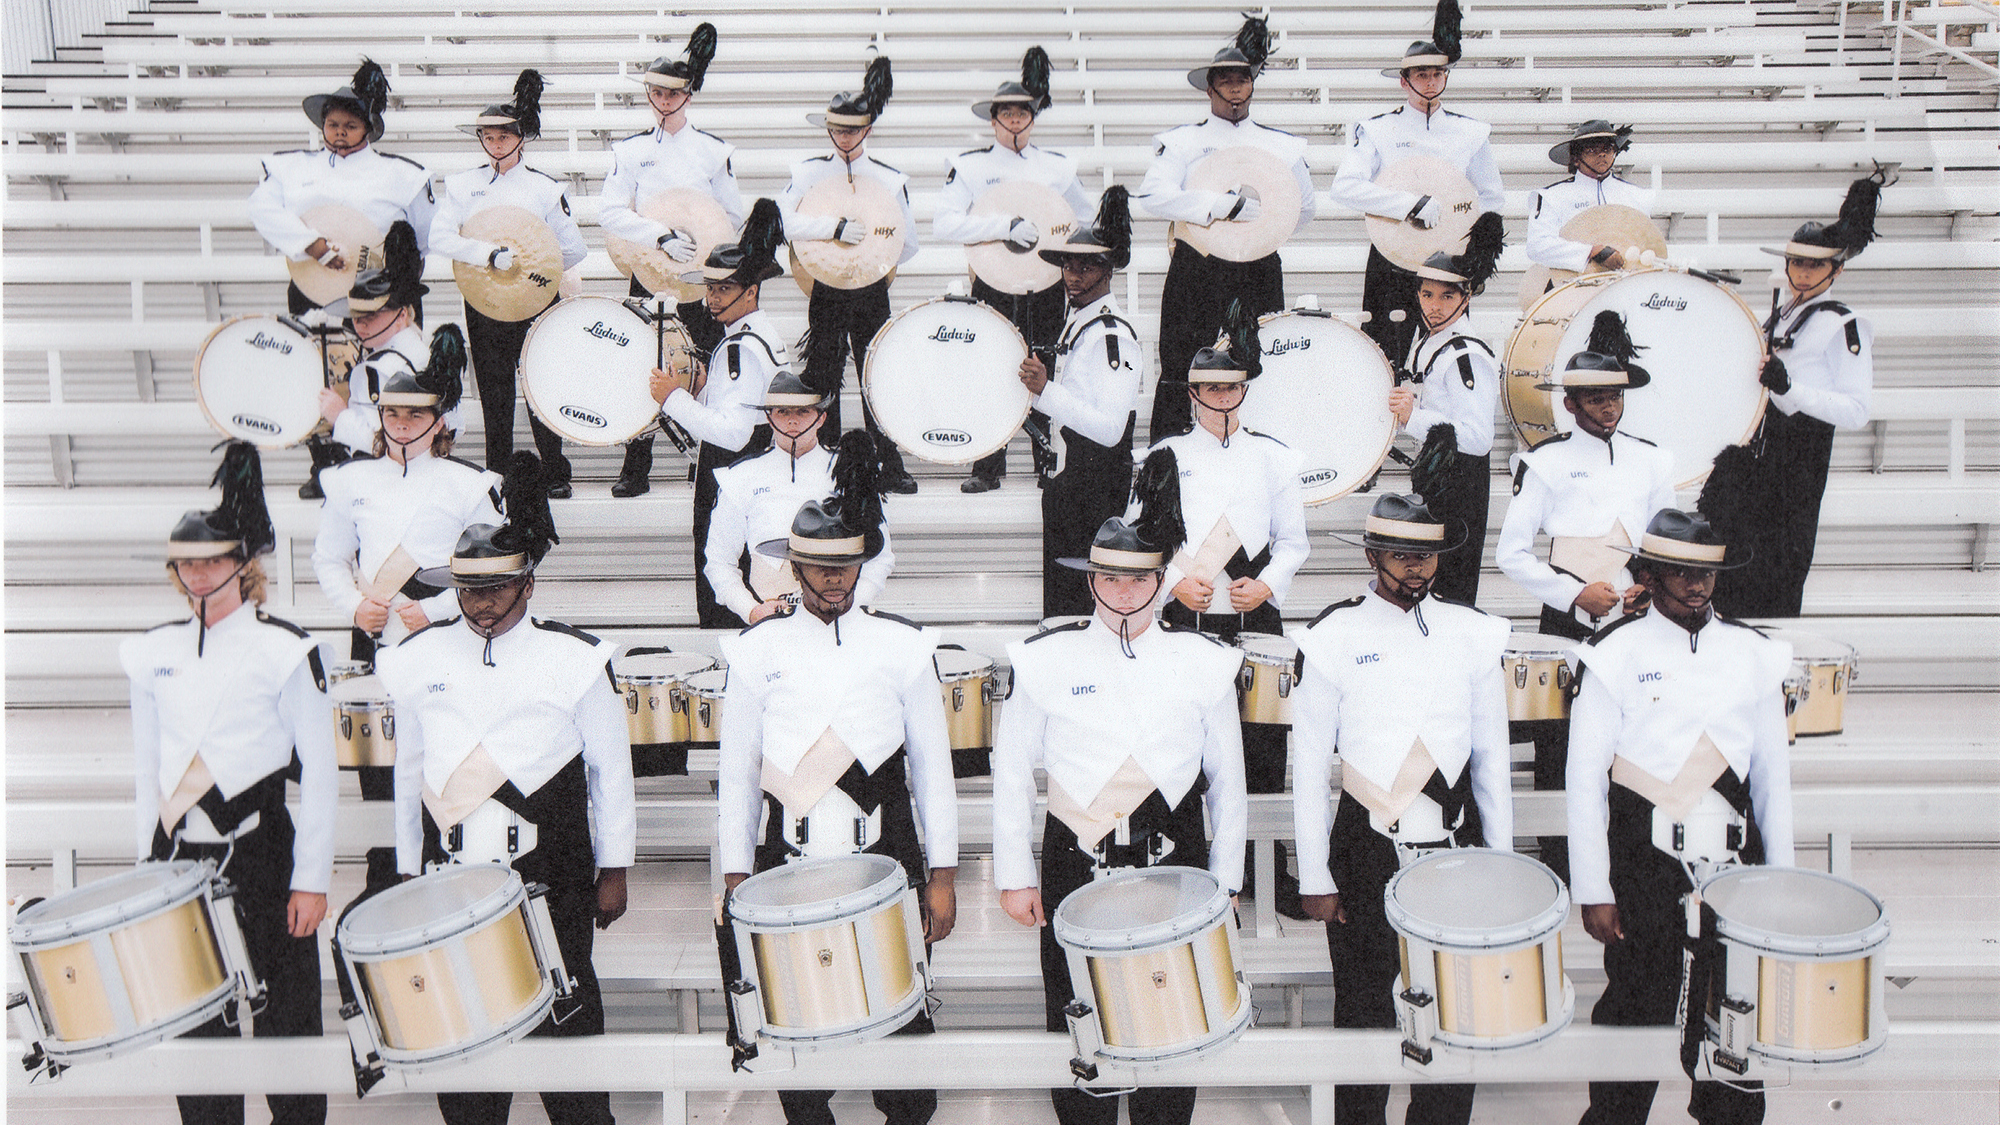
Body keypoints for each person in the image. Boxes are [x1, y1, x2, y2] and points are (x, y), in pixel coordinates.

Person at [377, 454, 635, 1125]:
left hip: (553, 869)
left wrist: (615, 866)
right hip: (454, 873)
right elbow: (408, 774)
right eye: (469, 590)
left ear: (527, 583)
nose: (482, 603)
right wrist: (408, 869)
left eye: (496, 588)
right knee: (468, 1066)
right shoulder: (418, 658)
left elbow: (609, 769)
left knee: (570, 1051)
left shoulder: (577, 657)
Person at [993, 456, 1248, 1125]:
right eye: (1111, 575)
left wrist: (1226, 877)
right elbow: (1013, 770)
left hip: (1176, 858)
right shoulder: (1045, 656)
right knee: (1078, 1021)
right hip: (1077, 857)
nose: (1125, 589)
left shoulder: (1203, 662)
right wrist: (1016, 875)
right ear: (1091, 580)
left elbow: (1228, 779)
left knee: (1172, 1017)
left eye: (1138, 577)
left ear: (1160, 579)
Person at [717, 451, 957, 1125]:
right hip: (788, 862)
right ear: (793, 566)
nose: (832, 577)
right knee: (796, 1039)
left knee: (905, 1045)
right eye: (818, 564)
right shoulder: (754, 649)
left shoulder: (901, 645)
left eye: (844, 564)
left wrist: (941, 874)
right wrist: (735, 876)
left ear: (860, 563)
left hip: (885, 859)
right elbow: (737, 774)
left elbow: (931, 771)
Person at [121, 442, 335, 1125]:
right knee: (199, 1033)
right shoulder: (152, 651)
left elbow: (323, 773)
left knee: (289, 1026)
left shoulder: (284, 647)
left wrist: (312, 879)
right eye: (187, 561)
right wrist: (146, 876)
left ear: (243, 564)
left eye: (211, 559)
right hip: (186, 856)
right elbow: (147, 773)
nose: (197, 572)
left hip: (266, 847)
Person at [1567, 508, 1794, 1125]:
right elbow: (1584, 782)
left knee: (1735, 1022)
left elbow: (1773, 779)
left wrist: (1782, 879)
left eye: (1707, 574)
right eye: (1681, 573)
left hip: (1733, 867)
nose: (1697, 586)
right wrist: (1594, 887)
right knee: (1634, 1012)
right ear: (1649, 573)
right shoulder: (1612, 653)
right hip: (1645, 864)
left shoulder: (1755, 653)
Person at [1291, 493, 1512, 1125]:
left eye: (1427, 557)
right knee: (1362, 1015)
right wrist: (1314, 875)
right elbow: (1308, 770)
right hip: (1364, 846)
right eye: (1402, 556)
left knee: (1454, 1016)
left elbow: (1492, 761)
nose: (1416, 569)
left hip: (1453, 845)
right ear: (1372, 555)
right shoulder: (1333, 634)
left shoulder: (1473, 632)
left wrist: (1499, 864)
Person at [1494, 311, 1674, 880]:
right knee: (1561, 735)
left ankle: (1630, 846)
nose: (1608, 409)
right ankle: (1561, 855)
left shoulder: (1652, 459)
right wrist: (1575, 596)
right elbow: (1511, 553)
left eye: (1615, 398)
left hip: (1637, 610)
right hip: (1571, 609)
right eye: (1595, 399)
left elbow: (1666, 537)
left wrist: (1648, 586)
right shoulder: (1544, 463)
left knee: (1635, 726)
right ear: (1569, 405)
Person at [1143, 301, 1308, 915]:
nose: (1221, 396)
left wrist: (1268, 585)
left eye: (1231, 387)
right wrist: (1176, 583)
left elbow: (1295, 541)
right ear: (1192, 391)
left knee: (1264, 750)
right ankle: (1193, 863)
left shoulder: (1275, 457)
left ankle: (1270, 876)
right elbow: (1143, 545)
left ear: (1245, 390)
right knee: (1191, 745)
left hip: (1253, 614)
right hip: (1189, 616)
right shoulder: (1164, 455)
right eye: (1210, 386)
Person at [248, 59, 435, 499]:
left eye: (350, 125)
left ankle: (388, 456)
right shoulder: (292, 168)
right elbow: (261, 208)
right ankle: (325, 465)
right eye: (331, 124)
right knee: (320, 373)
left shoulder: (403, 174)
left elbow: (422, 235)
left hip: (383, 294)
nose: (339, 133)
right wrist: (310, 243)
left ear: (368, 126)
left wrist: (388, 272)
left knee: (388, 377)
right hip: (314, 287)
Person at [1707, 170, 1886, 618]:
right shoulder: (1779, 315)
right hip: (1756, 453)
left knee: (1777, 572)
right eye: (1798, 263)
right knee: (1731, 570)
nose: (1804, 272)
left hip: (1798, 457)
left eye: (1816, 265)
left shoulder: (1843, 324)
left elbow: (1856, 410)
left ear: (1836, 268)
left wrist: (1792, 389)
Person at [1138, 15, 1314, 441]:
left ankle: (1258, 445)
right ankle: (1168, 458)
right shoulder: (1183, 141)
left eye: (1242, 77)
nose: (1235, 86)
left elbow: (1303, 207)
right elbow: (1152, 195)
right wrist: (1212, 207)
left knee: (1258, 355)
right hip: (1199, 264)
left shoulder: (1279, 144)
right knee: (1182, 359)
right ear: (1209, 85)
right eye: (1225, 78)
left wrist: (1262, 225)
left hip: (1256, 264)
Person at [934, 46, 1095, 494]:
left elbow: (1082, 219)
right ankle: (989, 462)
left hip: (1045, 280)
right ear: (993, 118)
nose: (1015, 119)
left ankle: (1047, 457)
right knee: (991, 362)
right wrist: (1001, 226)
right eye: (1006, 112)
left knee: (1044, 361)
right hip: (994, 275)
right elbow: (945, 222)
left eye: (1022, 112)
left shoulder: (1057, 167)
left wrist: (1054, 240)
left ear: (1032, 114)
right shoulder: (970, 166)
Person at [430, 69, 588, 495]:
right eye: (488, 135)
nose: (495, 143)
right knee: (495, 387)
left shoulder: (544, 188)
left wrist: (536, 270)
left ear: (520, 137)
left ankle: (555, 471)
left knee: (541, 382)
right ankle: (497, 474)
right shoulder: (462, 186)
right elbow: (440, 236)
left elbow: (573, 249)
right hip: (486, 299)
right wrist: (486, 255)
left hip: (535, 297)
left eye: (503, 135)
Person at [599, 24, 741, 497]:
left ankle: (705, 454)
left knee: (705, 364)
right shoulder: (631, 150)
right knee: (643, 361)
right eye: (655, 91)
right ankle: (635, 463)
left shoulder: (712, 151)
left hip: (701, 278)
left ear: (688, 94)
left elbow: (732, 214)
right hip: (650, 271)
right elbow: (610, 211)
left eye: (671, 92)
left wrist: (702, 247)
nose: (662, 100)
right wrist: (659, 235)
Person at [1327, 0, 1505, 363]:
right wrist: (1408, 204)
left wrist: (1476, 253)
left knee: (1446, 348)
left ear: (1446, 77)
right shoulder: (1379, 129)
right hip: (1393, 251)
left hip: (1448, 257)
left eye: (1437, 74)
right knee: (1382, 349)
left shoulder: (1470, 132)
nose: (1430, 82)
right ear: (1404, 81)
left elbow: (1490, 198)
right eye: (1421, 75)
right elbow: (1345, 186)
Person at [780, 56, 921, 494]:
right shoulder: (807, 173)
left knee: (875, 373)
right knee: (823, 373)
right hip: (826, 285)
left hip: (869, 287)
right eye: (838, 129)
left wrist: (872, 253)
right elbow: (782, 222)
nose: (845, 137)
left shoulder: (888, 179)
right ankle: (825, 457)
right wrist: (831, 229)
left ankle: (889, 461)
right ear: (828, 130)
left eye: (853, 130)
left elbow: (908, 242)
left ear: (868, 130)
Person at [648, 199, 792, 628]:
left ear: (750, 291)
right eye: (710, 288)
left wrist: (672, 398)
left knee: (722, 581)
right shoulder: (756, 334)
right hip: (753, 469)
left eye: (723, 289)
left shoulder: (739, 348)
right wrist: (699, 389)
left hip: (731, 470)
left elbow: (732, 433)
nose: (712, 298)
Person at [1018, 187, 1145, 618]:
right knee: (1060, 601)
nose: (1073, 274)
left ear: (1107, 271)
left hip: (1093, 490)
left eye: (1087, 265)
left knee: (1082, 605)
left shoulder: (1113, 336)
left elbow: (1110, 429)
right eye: (1069, 264)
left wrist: (1046, 391)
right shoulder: (1080, 322)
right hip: (1068, 484)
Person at [706, 375, 896, 627]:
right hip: (770, 617)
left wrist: (849, 608)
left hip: (841, 620)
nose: (792, 420)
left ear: (821, 417)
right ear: (769, 417)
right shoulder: (740, 476)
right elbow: (719, 562)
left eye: (803, 411)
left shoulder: (851, 469)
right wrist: (752, 611)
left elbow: (880, 558)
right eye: (782, 411)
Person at [1390, 212, 1504, 606]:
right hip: (1437, 473)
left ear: (1466, 297)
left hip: (1462, 484)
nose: (1434, 306)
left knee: (1451, 591)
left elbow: (1476, 439)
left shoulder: (1465, 355)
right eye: (1427, 295)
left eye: (1447, 296)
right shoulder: (1428, 340)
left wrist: (1413, 417)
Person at [1526, 120, 1655, 277]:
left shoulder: (1635, 195)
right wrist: (1590, 252)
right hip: (1571, 284)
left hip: (1625, 283)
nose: (1601, 154)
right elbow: (1538, 246)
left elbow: (1648, 245)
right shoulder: (1552, 196)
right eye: (1592, 149)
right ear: (1576, 158)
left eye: (1607, 149)